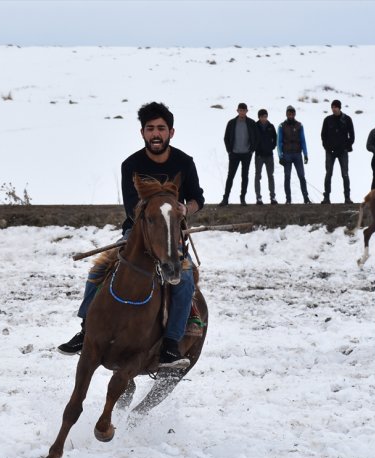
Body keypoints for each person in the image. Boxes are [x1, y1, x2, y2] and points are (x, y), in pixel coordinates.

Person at [58, 102, 205, 368]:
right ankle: (85, 330)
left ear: (171, 132)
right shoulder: (131, 165)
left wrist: (185, 208)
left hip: (173, 235)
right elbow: (131, 208)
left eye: (161, 128)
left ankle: (171, 344)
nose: (155, 133)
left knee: (184, 280)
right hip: (137, 233)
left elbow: (198, 199)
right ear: (142, 133)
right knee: (98, 270)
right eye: (150, 129)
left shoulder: (184, 162)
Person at [220, 102, 258, 206]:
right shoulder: (231, 123)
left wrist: (252, 150)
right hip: (234, 154)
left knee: (244, 176)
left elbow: (256, 137)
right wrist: (229, 151)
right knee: (230, 176)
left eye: (244, 110)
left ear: (246, 111)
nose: (242, 112)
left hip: (246, 154)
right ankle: (225, 199)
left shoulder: (251, 123)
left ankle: (242, 198)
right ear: (237, 111)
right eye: (240, 110)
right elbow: (226, 138)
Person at [320, 99, 355, 204]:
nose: (334, 109)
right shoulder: (327, 120)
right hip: (330, 151)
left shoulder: (347, 119)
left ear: (340, 108)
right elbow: (323, 136)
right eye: (332, 107)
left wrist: (346, 146)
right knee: (328, 173)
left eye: (336, 107)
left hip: (342, 152)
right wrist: (327, 147)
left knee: (345, 174)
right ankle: (326, 197)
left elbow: (352, 135)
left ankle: (347, 197)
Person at [277, 105, 311, 204]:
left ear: (295, 114)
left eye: (292, 113)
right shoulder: (281, 126)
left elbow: (303, 140)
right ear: (286, 114)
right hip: (286, 155)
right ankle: (288, 199)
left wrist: (305, 154)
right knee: (287, 177)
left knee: (302, 176)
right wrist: (280, 156)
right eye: (289, 113)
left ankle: (306, 198)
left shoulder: (299, 125)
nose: (291, 115)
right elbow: (279, 142)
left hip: (297, 155)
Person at [253, 109, 278, 205]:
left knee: (270, 176)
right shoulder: (255, 126)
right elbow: (252, 138)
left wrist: (271, 147)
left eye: (265, 116)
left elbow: (275, 139)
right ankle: (258, 198)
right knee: (258, 176)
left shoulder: (271, 126)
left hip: (269, 155)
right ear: (259, 117)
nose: (264, 118)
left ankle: (273, 197)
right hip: (259, 155)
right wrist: (256, 148)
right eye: (262, 116)